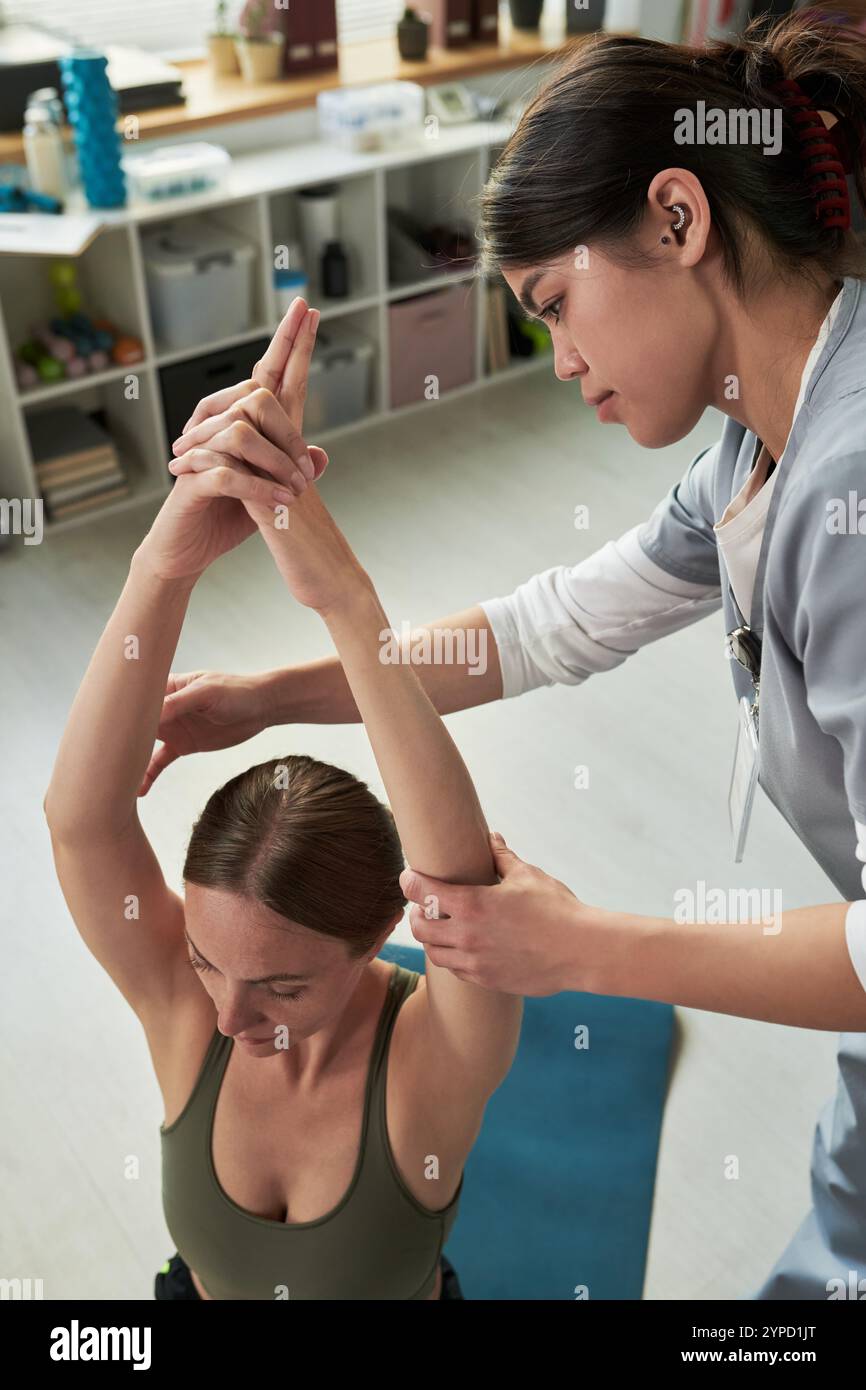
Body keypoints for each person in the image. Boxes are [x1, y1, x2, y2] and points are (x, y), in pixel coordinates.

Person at [145, 9, 866, 1299]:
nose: (558, 362)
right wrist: (268, 696)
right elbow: (539, 630)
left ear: (675, 220)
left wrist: (581, 946)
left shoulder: (851, 485)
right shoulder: (753, 449)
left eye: (553, 303)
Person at [43, 304, 522, 1301]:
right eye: (209, 962)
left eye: (281, 987)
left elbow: (460, 880)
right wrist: (163, 562)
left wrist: (344, 598)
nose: (226, 1015)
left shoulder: (433, 1060)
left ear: (383, 935)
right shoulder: (188, 1005)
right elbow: (81, 819)